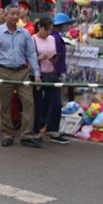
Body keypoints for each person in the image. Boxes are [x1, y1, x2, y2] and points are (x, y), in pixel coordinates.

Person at [0, 4, 42, 148]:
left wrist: (37, 73)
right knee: (4, 104)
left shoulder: (25, 33)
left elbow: (31, 54)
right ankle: (8, 133)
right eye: (12, 14)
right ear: (6, 15)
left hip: (22, 71)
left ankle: (26, 135)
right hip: (3, 71)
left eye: (17, 14)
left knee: (29, 102)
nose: (15, 17)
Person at [32, 17, 69, 145]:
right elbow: (30, 59)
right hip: (39, 74)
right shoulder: (33, 39)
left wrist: (54, 59)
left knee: (56, 103)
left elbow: (55, 56)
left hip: (52, 73)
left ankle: (53, 130)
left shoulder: (52, 39)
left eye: (50, 30)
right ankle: (36, 129)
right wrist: (39, 58)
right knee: (39, 104)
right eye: (47, 30)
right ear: (40, 28)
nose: (48, 33)